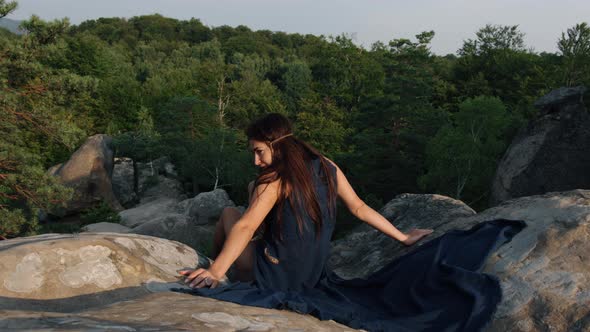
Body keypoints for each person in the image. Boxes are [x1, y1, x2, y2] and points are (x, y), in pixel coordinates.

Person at [180, 113, 433, 289]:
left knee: (228, 213)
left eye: (258, 152)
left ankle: (213, 268)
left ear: (275, 145)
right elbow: (359, 207)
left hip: (274, 275)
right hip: (311, 275)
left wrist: (215, 272)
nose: (255, 162)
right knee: (251, 194)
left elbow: (246, 227)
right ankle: (221, 267)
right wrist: (403, 237)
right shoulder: (326, 166)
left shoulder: (274, 180)